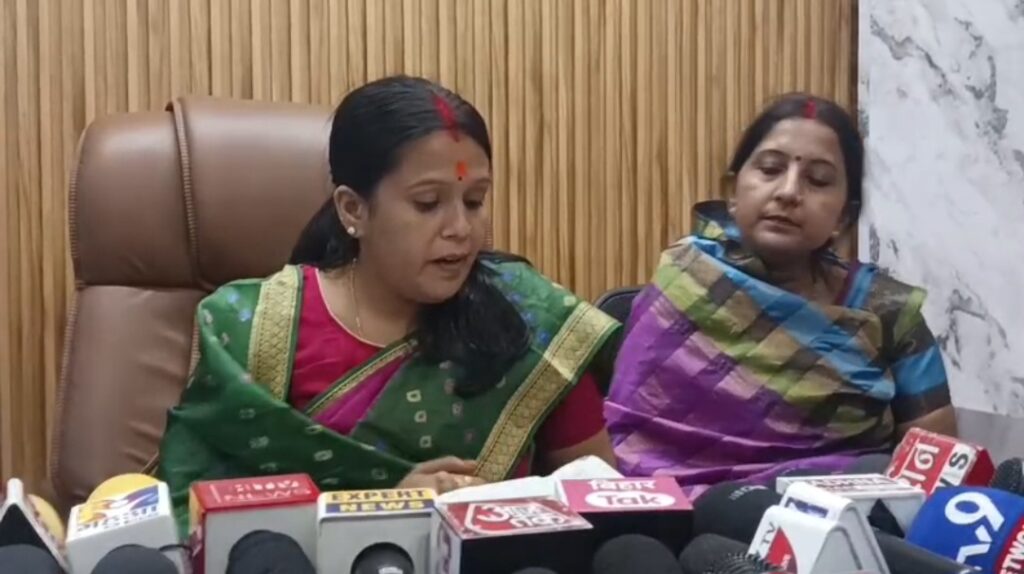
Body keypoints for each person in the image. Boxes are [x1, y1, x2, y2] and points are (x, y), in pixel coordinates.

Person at [157, 76, 620, 532]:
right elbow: (195, 514)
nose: (461, 228)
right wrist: (385, 505)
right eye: (428, 204)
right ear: (353, 210)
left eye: (475, 200)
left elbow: (598, 502)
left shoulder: (528, 318)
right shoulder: (257, 327)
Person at [605, 93, 956, 493]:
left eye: (818, 180)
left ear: (843, 215)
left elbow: (934, 467)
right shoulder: (685, 281)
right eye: (771, 169)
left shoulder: (886, 311)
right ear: (732, 191)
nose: (789, 192)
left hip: (841, 515)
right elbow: (626, 447)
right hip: (679, 518)